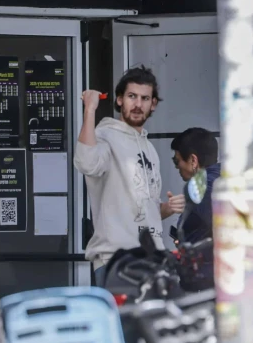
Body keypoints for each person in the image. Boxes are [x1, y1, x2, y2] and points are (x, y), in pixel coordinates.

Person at [75, 66, 184, 285]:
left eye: (145, 98)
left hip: (152, 258)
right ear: (119, 100)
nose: (137, 104)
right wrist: (89, 110)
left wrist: (166, 209)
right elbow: (86, 163)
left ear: (153, 104)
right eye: (131, 96)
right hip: (116, 259)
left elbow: (141, 210)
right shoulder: (104, 135)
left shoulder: (149, 149)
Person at [170, 127, 220, 290]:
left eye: (177, 161)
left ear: (193, 160)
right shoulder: (222, 181)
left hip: (206, 281)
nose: (177, 167)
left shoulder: (202, 188)